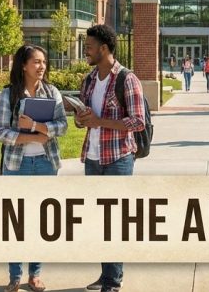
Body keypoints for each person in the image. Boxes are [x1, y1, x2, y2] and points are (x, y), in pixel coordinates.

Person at [75, 24, 146, 292]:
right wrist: (81, 120)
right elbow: (85, 117)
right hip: (93, 157)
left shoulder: (127, 79)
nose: (86, 50)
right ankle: (106, 276)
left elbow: (138, 121)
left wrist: (99, 121)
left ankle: (114, 281)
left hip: (118, 158)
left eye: (89, 46)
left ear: (103, 49)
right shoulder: (90, 79)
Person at [0, 44, 67, 292]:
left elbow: (63, 126)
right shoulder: (9, 95)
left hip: (46, 164)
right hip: (17, 165)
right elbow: (1, 133)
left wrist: (37, 125)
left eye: (43, 62)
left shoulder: (52, 92)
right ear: (23, 65)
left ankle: (35, 275)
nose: (42, 66)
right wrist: (34, 137)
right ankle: (15, 276)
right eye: (36, 61)